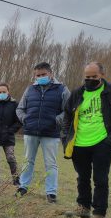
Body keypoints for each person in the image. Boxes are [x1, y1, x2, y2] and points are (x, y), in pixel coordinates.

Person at [62, 62, 111, 218]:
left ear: (102, 75)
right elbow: (66, 117)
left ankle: (99, 214)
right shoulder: (77, 93)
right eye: (87, 77)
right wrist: (65, 137)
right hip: (79, 144)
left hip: (102, 143)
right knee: (82, 177)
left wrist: (110, 142)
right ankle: (83, 207)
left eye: (94, 77)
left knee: (101, 179)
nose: (90, 80)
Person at [16, 62, 71, 203]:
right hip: (30, 131)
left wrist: (56, 120)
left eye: (43, 74)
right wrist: (25, 119)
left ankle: (51, 193)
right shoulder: (29, 89)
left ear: (51, 73)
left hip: (51, 133)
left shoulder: (63, 89)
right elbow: (20, 109)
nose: (40, 77)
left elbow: (69, 110)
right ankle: (23, 187)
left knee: (51, 164)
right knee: (28, 161)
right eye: (37, 75)